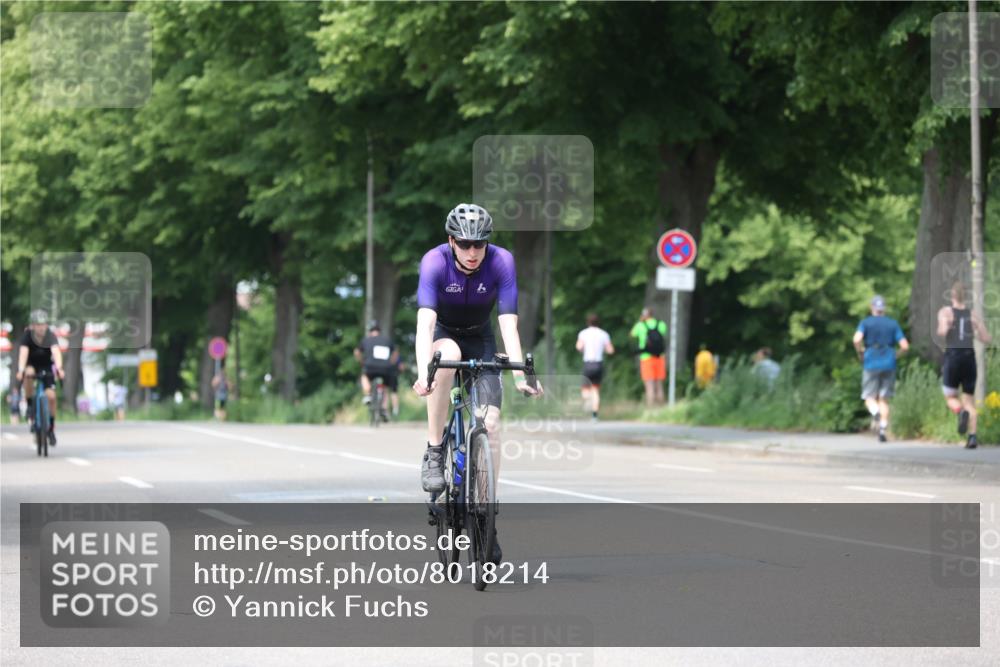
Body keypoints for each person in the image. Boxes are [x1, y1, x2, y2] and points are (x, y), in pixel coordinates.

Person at [412, 203, 543, 564]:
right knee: (446, 355)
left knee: (493, 425)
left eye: (479, 245)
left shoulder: (501, 261)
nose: (473, 253)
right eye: (466, 245)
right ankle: (435, 449)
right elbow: (425, 324)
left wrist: (520, 375)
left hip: (482, 339)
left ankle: (485, 517)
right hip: (444, 335)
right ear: (451, 241)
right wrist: (424, 372)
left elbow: (508, 325)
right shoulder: (434, 262)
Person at [937, 282, 992, 449]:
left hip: (953, 357)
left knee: (950, 397)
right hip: (969, 358)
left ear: (952, 296)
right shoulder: (973, 315)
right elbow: (986, 338)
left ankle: (960, 412)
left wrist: (946, 326)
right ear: (965, 297)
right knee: (969, 399)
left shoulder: (946, 312)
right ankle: (973, 437)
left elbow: (942, 332)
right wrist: (973, 333)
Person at [853, 295, 909, 442]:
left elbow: (856, 339)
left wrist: (860, 352)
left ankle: (875, 412)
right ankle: (883, 429)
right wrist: (896, 355)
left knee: (869, 397)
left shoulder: (866, 323)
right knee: (884, 399)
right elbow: (905, 346)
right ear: (884, 308)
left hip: (871, 362)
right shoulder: (892, 324)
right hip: (889, 362)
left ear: (872, 308)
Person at [15, 310, 65, 445]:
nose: (41, 327)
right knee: (28, 374)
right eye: (38, 324)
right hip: (31, 365)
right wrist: (21, 370)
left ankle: (51, 429)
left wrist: (59, 368)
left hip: (46, 367)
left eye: (43, 324)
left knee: (51, 397)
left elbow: (56, 351)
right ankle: (30, 405)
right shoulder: (27, 336)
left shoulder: (50, 336)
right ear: (33, 326)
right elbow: (23, 353)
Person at [354, 321, 398, 419]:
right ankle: (384, 408)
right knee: (385, 387)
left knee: (364, 376)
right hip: (386, 368)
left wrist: (361, 361)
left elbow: (357, 352)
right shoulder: (387, 340)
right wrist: (391, 362)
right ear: (379, 331)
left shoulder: (366, 340)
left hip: (370, 367)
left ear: (370, 332)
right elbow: (395, 353)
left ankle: (368, 395)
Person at [576, 313, 614, 421]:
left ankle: (588, 402)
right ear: (599, 322)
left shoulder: (583, 333)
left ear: (588, 322)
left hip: (588, 364)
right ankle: (594, 416)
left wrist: (583, 350)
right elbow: (610, 350)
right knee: (596, 390)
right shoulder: (604, 334)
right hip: (598, 364)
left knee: (585, 389)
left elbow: (578, 347)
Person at [630, 307, 667, 406]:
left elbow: (632, 334)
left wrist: (640, 321)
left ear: (644, 315)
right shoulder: (661, 324)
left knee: (649, 385)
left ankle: (650, 409)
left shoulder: (640, 325)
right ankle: (661, 408)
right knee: (659, 385)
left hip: (646, 358)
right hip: (660, 357)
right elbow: (664, 333)